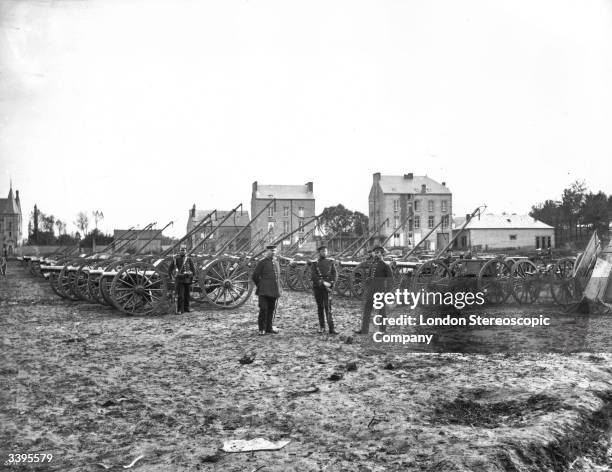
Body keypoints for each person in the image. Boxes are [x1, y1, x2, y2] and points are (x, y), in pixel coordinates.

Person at [355, 245, 393, 335]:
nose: (376, 255)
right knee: (367, 310)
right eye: (375, 253)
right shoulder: (372, 264)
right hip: (371, 291)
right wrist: (367, 282)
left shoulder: (386, 266)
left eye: (378, 253)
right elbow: (369, 277)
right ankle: (364, 330)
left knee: (381, 312)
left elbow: (390, 281)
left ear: (382, 254)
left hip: (380, 291)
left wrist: (387, 293)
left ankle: (383, 331)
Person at [251, 244, 282, 335]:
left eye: (274, 251)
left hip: (274, 290)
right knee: (263, 309)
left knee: (271, 309)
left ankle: (269, 327)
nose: (273, 252)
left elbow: (278, 277)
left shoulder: (276, 263)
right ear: (266, 252)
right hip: (264, 291)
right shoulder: (262, 262)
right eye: (271, 251)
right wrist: (260, 285)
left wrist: (279, 289)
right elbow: (255, 276)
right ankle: (262, 329)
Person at [311, 245, 338, 334]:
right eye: (322, 251)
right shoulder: (315, 263)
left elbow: (335, 274)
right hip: (318, 288)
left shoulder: (331, 262)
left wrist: (331, 283)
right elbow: (313, 276)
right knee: (320, 307)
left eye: (326, 251)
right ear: (319, 252)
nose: (324, 253)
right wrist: (322, 282)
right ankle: (322, 327)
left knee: (328, 308)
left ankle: (331, 328)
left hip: (328, 288)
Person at [168, 245, 196, 314]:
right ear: (179, 251)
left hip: (188, 280)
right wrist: (171, 277)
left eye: (184, 250)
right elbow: (170, 269)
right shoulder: (176, 259)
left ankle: (187, 308)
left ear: (186, 251)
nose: (182, 251)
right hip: (180, 280)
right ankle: (180, 310)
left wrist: (192, 276)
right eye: (181, 250)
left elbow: (193, 269)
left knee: (187, 295)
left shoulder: (189, 259)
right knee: (180, 296)